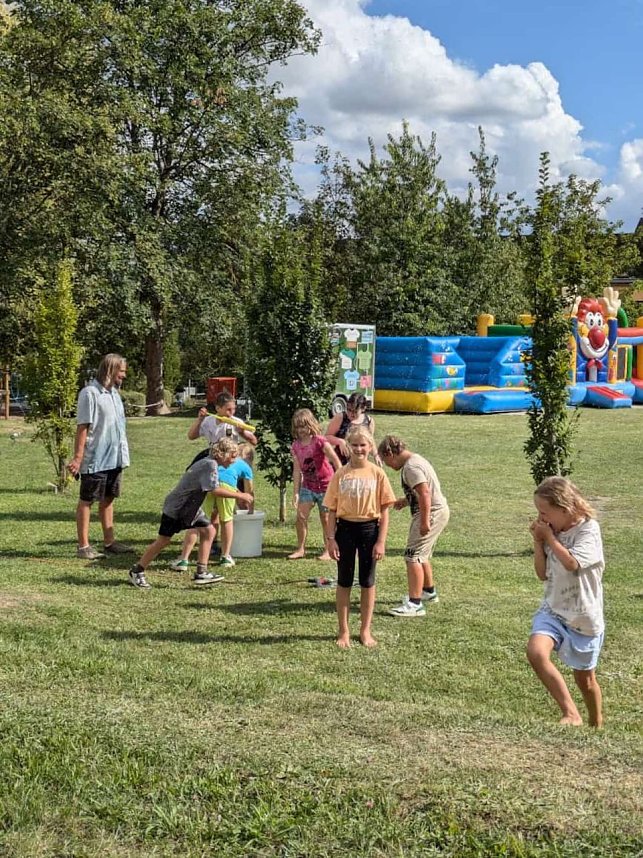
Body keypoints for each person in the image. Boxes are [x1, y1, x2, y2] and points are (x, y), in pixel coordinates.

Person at [527, 476, 605, 728]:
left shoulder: (588, 530)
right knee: (536, 652)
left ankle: (596, 722)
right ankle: (571, 713)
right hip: (554, 609)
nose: (541, 518)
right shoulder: (552, 530)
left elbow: (571, 564)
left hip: (583, 617)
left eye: (544, 512)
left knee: (586, 680)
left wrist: (549, 538)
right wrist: (539, 542)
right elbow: (542, 574)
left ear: (565, 508)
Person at [128, 439, 253, 589]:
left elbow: (214, 485)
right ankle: (137, 571)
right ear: (222, 454)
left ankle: (202, 571)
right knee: (163, 541)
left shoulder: (211, 463)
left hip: (191, 507)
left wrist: (237, 492)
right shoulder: (210, 465)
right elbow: (214, 490)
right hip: (178, 507)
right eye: (232, 456)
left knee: (209, 530)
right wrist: (241, 496)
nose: (234, 461)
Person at [323, 426, 396, 649]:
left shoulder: (377, 473)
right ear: (347, 447)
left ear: (370, 447)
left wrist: (381, 541)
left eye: (363, 445)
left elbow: (384, 512)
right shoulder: (341, 474)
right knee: (344, 581)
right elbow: (331, 510)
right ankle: (343, 631)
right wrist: (331, 539)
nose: (358, 449)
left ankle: (365, 630)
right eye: (354, 445)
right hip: (345, 531)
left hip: (369, 531)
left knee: (367, 581)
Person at [68, 353, 133, 560]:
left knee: (108, 499)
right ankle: (83, 547)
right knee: (87, 500)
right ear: (111, 369)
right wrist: (78, 458)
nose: (123, 375)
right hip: (95, 459)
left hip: (115, 458)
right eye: (121, 371)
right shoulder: (90, 393)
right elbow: (83, 427)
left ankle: (109, 542)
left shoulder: (114, 394)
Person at [378, 435, 450, 617]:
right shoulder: (415, 460)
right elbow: (422, 492)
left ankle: (415, 604)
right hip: (437, 510)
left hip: (431, 513)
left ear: (390, 453)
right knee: (422, 555)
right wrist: (406, 500)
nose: (387, 465)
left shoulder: (411, 467)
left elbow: (425, 494)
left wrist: (425, 521)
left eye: (385, 461)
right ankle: (428, 591)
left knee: (413, 556)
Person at [170, 439, 254, 571]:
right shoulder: (246, 467)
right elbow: (249, 492)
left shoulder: (215, 462)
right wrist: (248, 506)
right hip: (226, 488)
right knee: (226, 520)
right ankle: (225, 557)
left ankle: (183, 559)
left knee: (196, 521)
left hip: (207, 486)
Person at [288, 409, 341, 561]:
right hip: (308, 486)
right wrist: (296, 492)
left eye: (303, 426)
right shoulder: (296, 446)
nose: (301, 430)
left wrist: (339, 482)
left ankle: (327, 550)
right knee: (301, 516)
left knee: (326, 518)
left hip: (326, 486)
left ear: (311, 425)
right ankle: (300, 549)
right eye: (298, 427)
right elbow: (297, 470)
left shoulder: (320, 441)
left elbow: (335, 460)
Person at [325, 393, 380, 466]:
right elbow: (326, 437)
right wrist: (340, 441)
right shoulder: (341, 417)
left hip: (359, 462)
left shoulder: (368, 421)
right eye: (349, 410)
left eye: (355, 411)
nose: (351, 414)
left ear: (363, 409)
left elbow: (370, 440)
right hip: (340, 463)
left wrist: (376, 455)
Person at [188, 392, 258, 448]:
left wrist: (242, 433)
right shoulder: (207, 421)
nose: (232, 412)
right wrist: (200, 420)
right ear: (218, 408)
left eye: (234, 409)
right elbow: (191, 436)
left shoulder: (237, 422)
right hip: (213, 455)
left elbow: (254, 442)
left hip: (232, 456)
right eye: (228, 409)